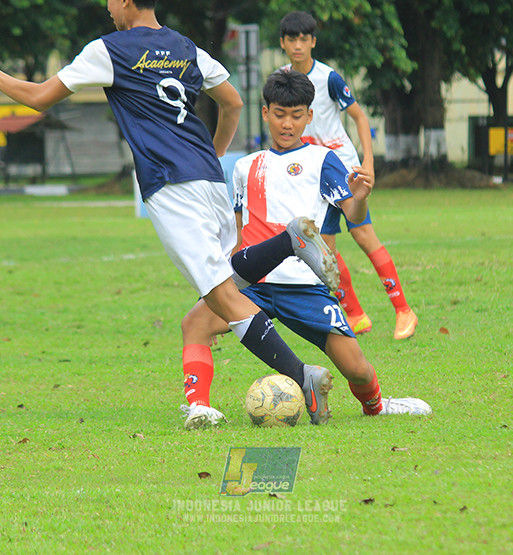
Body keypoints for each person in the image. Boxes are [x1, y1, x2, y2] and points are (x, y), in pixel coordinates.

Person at [0, 0, 337, 430]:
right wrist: (214, 155)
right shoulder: (186, 47)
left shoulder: (110, 50)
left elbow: (38, 98)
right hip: (207, 177)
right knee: (231, 279)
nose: (107, 8)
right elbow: (232, 103)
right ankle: (291, 241)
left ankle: (301, 375)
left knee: (222, 298)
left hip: (171, 187)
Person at [182, 69, 432, 423]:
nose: (288, 124)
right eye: (280, 114)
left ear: (310, 116)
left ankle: (377, 406)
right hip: (254, 284)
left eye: (297, 115)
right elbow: (238, 236)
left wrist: (359, 198)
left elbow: (351, 211)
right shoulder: (244, 167)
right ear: (266, 112)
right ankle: (199, 408)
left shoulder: (322, 160)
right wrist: (219, 292)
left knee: (357, 369)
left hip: (304, 284)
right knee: (195, 323)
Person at [278, 10, 418, 340]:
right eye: (291, 39)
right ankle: (355, 313)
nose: (298, 46)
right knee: (324, 248)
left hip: (340, 166)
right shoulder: (281, 78)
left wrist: (367, 162)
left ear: (313, 42)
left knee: (363, 235)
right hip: (312, 170)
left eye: (304, 39)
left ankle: (403, 311)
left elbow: (360, 117)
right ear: (282, 43)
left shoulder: (329, 78)